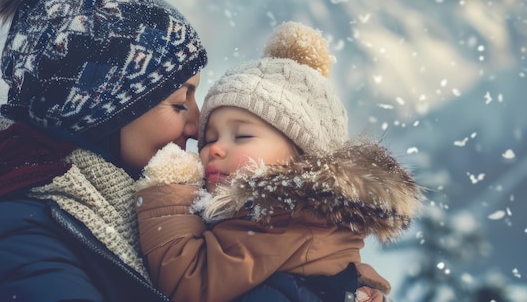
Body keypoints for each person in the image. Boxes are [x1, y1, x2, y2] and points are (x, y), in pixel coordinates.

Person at [0, 0, 207, 302]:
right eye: (179, 102)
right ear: (103, 106)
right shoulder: (16, 233)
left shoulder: (126, 211)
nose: (197, 126)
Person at [134, 21, 425, 302]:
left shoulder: (282, 219)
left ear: (303, 158)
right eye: (208, 138)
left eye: (243, 135)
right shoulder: (283, 218)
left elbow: (191, 285)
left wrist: (168, 193)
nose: (215, 149)